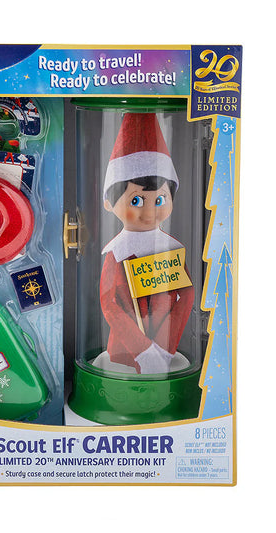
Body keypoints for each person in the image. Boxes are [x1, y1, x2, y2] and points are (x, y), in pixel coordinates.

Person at [99, 113, 194, 375]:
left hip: (166, 348)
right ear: (109, 203)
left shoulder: (170, 249)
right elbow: (109, 304)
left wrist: (164, 347)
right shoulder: (117, 253)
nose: (150, 213)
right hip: (125, 354)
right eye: (137, 201)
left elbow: (185, 296)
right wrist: (142, 350)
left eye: (160, 200)